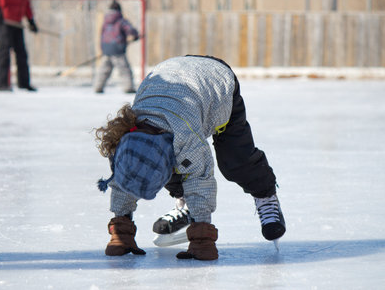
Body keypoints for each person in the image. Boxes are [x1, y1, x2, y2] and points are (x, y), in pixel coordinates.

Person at [95, 55, 286, 261]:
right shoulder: (124, 141)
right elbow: (125, 180)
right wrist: (120, 232)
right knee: (168, 167)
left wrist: (202, 237)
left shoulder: (184, 137)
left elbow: (200, 177)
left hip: (215, 82)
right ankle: (186, 205)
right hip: (174, 78)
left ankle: (265, 197)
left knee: (235, 161)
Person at [0, 0, 38, 92]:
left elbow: (25, 1)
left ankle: (24, 83)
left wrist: (30, 20)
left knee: (21, 52)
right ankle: (2, 84)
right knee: (4, 51)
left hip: (17, 20)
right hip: (4, 20)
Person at [94, 0, 140, 94]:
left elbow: (102, 34)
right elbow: (130, 29)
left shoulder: (105, 20)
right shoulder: (121, 20)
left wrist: (103, 47)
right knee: (124, 69)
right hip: (118, 48)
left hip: (106, 47)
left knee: (104, 70)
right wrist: (135, 35)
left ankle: (98, 87)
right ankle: (128, 87)